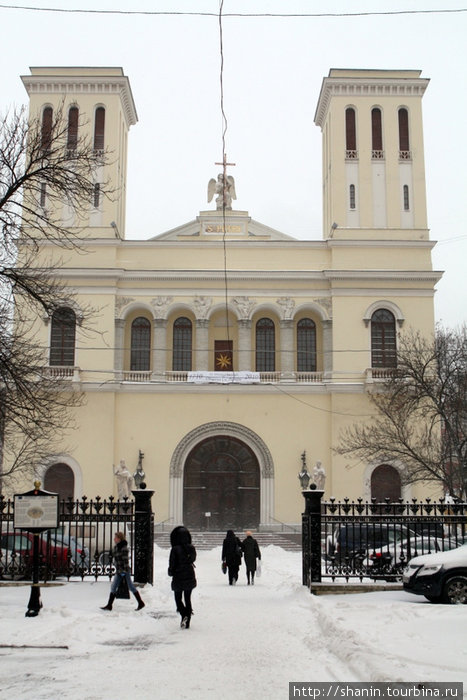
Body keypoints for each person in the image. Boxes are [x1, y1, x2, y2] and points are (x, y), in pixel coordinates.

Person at [101, 531, 145, 611]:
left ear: (119, 539)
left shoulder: (123, 548)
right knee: (113, 587)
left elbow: (125, 561)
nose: (114, 539)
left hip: (124, 571)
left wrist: (124, 572)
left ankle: (141, 603)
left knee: (131, 587)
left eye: (116, 538)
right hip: (119, 571)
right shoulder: (116, 547)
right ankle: (109, 605)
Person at [168, 526, 197, 629]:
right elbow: (193, 559)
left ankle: (183, 613)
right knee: (187, 598)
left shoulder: (175, 549)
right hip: (189, 574)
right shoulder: (191, 548)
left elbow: (172, 563)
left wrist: (171, 572)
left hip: (178, 575)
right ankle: (187, 620)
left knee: (178, 598)